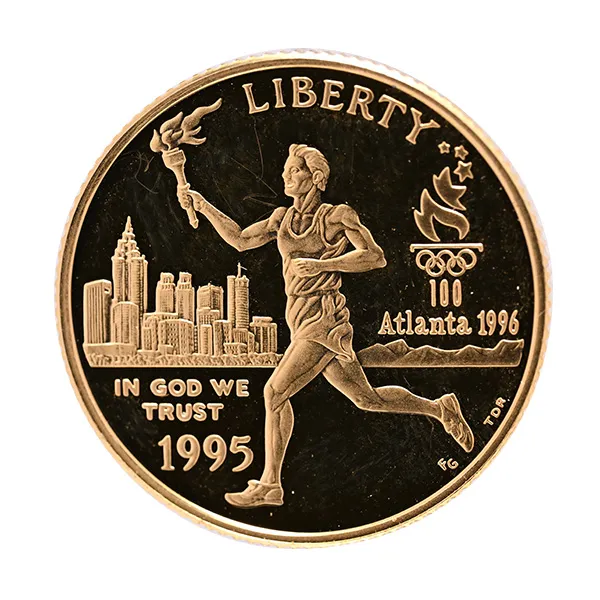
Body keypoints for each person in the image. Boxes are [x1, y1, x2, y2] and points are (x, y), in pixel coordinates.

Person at [178, 143, 474, 508]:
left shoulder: (336, 216)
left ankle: (271, 484)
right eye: (286, 170)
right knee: (367, 399)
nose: (286, 176)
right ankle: (440, 408)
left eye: (294, 170)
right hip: (300, 318)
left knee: (274, 393)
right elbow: (240, 240)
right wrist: (204, 206)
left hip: (325, 321)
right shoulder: (281, 219)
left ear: (315, 177)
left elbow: (375, 256)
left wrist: (323, 265)